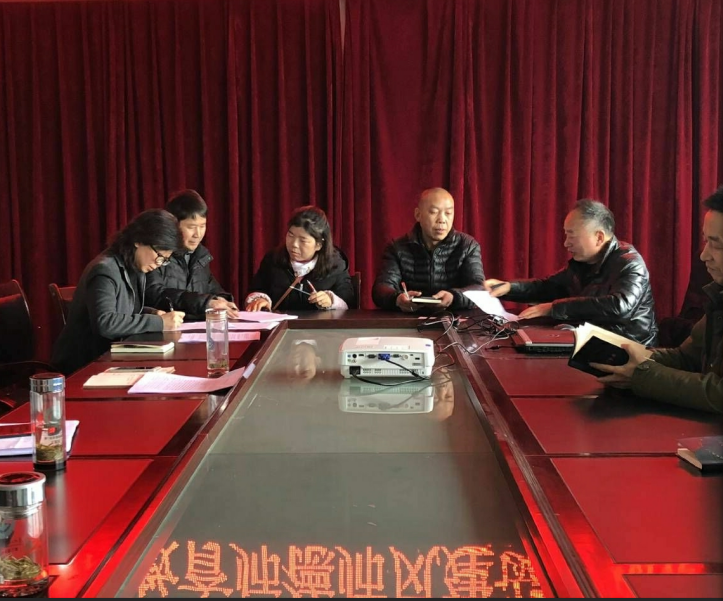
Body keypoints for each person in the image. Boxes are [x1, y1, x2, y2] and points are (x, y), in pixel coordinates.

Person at [591, 186, 723, 413]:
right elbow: (685, 357)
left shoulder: (627, 261)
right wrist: (629, 355)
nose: (704, 255)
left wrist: (641, 375)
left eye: (716, 245)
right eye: (705, 242)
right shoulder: (718, 297)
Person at [484, 199, 657, 346]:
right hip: (593, 343)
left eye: (572, 236)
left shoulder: (630, 263)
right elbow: (548, 287)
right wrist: (509, 288)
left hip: (629, 351)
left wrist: (553, 308)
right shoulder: (583, 264)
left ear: (599, 237)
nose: (566, 243)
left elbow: (620, 306)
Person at [52, 209, 186, 375]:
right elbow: (105, 323)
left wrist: (154, 314)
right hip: (84, 366)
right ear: (138, 240)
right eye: (159, 255)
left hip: (111, 358)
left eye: (165, 260)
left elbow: (124, 311)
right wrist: (159, 323)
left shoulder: (134, 267)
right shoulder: (104, 270)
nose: (159, 263)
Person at [372, 188, 485, 312]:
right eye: (434, 212)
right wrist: (397, 299)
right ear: (418, 215)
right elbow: (381, 289)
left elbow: (479, 289)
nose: (442, 220)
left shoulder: (467, 246)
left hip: (455, 318)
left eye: (448, 213)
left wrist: (454, 297)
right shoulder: (397, 248)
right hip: (409, 318)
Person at [146, 189, 239, 319]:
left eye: (202, 226)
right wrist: (206, 303)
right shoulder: (156, 254)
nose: (198, 234)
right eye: (191, 227)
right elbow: (155, 294)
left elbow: (213, 290)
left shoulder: (200, 256)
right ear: (173, 225)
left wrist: (223, 301)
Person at [244, 205, 354, 311]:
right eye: (290, 235)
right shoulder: (273, 259)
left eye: (303, 240)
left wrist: (330, 300)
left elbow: (349, 300)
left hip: (319, 324)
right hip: (280, 323)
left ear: (319, 244)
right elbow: (256, 289)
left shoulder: (335, 266)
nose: (294, 244)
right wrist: (260, 299)